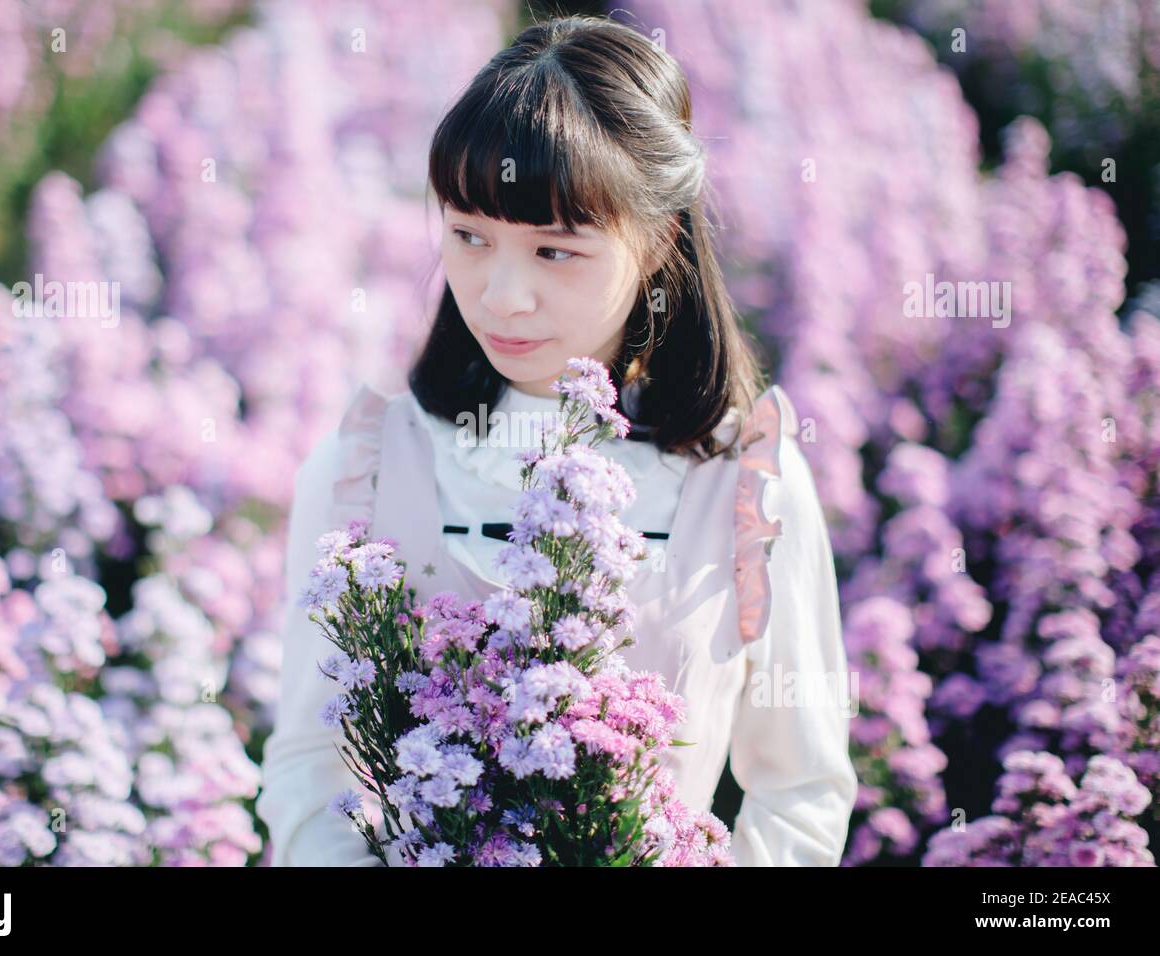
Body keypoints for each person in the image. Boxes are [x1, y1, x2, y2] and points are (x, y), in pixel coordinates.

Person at [256, 13, 857, 866]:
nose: (502, 295)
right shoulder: (368, 464)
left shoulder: (746, 481)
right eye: (470, 237)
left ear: (656, 243)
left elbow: (801, 792)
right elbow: (311, 769)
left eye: (554, 252)